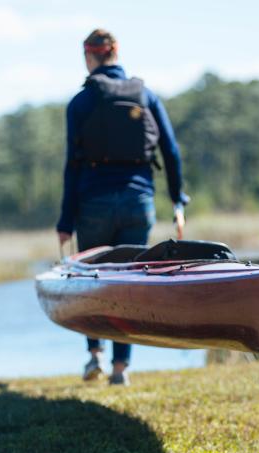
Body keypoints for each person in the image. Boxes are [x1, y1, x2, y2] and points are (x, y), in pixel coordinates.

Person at [57, 29, 189, 386]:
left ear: (89, 56)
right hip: (138, 202)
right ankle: (121, 368)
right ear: (117, 52)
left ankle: (94, 355)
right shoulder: (145, 95)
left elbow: (72, 164)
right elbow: (171, 152)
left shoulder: (80, 102)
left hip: (93, 203)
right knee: (128, 281)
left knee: (93, 279)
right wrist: (178, 199)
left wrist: (65, 221)